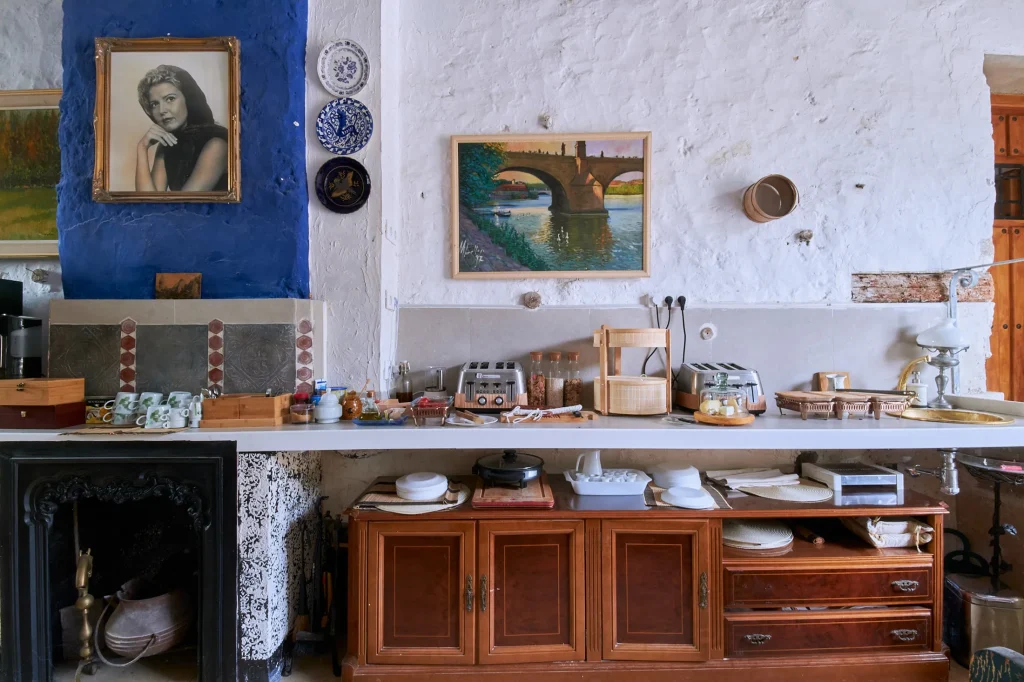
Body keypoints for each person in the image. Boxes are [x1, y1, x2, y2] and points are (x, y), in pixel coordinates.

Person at [135, 65, 228, 192]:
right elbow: (148, 201)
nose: (162, 110)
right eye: (154, 104)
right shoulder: (167, 144)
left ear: (188, 99)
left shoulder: (216, 144)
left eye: (170, 99)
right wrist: (142, 148)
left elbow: (185, 205)